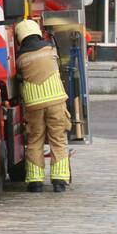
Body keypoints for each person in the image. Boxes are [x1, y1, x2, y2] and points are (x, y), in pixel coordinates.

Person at [14, 19, 72, 193]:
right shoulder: (50, 50)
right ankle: (59, 181)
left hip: (34, 105)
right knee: (58, 140)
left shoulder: (20, 59)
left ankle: (35, 181)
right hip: (56, 101)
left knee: (35, 140)